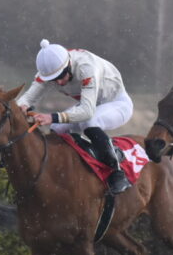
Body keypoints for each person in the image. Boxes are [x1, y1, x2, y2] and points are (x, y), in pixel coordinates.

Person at [17, 39, 133, 194]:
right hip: (92, 105)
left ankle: (117, 172)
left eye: (61, 76)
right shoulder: (48, 72)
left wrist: (52, 117)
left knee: (89, 122)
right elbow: (27, 99)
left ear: (69, 65)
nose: (59, 82)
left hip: (117, 104)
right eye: (53, 80)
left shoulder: (86, 67)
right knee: (57, 128)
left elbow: (87, 112)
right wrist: (21, 108)